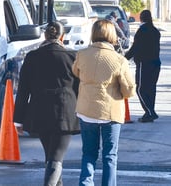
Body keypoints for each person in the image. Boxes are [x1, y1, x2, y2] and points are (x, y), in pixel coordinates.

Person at [14, 21, 80, 186]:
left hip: (39, 112)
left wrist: (18, 119)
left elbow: (23, 90)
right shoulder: (72, 57)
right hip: (65, 113)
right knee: (55, 158)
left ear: (45, 35)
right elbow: (80, 88)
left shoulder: (32, 56)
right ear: (62, 36)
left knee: (51, 156)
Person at [72, 19, 135, 186]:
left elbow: (75, 72)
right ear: (112, 35)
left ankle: (85, 183)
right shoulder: (119, 60)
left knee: (88, 153)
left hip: (86, 111)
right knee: (109, 156)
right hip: (110, 112)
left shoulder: (82, 54)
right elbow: (129, 90)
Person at [125, 10, 161, 123]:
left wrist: (124, 58)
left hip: (144, 63)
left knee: (140, 88)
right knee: (151, 88)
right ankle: (149, 112)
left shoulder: (142, 31)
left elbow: (135, 47)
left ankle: (150, 112)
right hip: (155, 63)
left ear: (141, 18)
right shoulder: (155, 31)